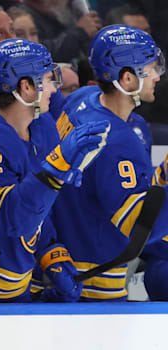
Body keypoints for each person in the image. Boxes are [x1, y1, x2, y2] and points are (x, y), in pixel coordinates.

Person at [0, 38, 107, 303]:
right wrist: (57, 167)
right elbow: (7, 217)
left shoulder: (43, 124)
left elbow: (40, 204)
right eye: (48, 80)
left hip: (20, 286)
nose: (54, 89)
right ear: (26, 87)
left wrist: (51, 251)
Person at [52, 25, 165, 301]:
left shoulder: (82, 99)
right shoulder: (118, 143)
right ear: (127, 79)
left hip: (60, 259)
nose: (157, 77)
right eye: (150, 69)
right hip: (93, 282)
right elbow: (139, 232)